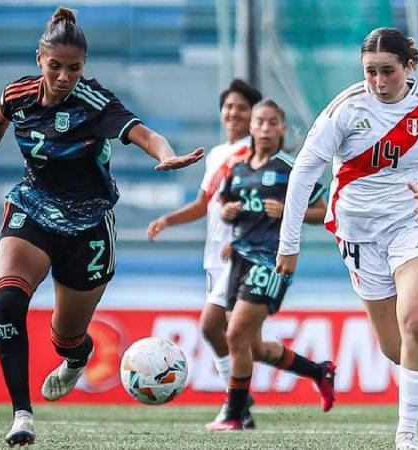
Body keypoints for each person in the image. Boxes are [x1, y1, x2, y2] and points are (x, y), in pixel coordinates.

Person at [0, 7, 203, 447]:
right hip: (34, 206)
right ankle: (22, 416)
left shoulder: (94, 102)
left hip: (88, 224)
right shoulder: (18, 95)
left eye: (74, 68)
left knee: (66, 338)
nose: (65, 76)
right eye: (56, 66)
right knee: (9, 299)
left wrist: (164, 154)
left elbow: (145, 134)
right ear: (39, 60)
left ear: (84, 67)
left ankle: (76, 359)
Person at [275, 28, 418, 450]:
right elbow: (305, 172)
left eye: (388, 72)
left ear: (409, 67)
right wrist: (288, 244)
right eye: (370, 72)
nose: (379, 83)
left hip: (413, 224)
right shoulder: (345, 110)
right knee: (395, 350)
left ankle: (407, 434)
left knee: (414, 320)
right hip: (358, 234)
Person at [207, 99, 335, 432]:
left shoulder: (291, 168)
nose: (265, 128)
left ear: (282, 128)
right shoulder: (238, 169)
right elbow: (223, 205)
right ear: (250, 126)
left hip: (271, 260)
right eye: (260, 122)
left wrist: (292, 213)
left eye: (272, 122)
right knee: (251, 346)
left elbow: (324, 212)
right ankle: (319, 371)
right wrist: (228, 214)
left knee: (234, 334)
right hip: (239, 260)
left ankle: (235, 414)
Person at [146, 79, 261, 427]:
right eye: (228, 106)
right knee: (223, 332)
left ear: (254, 115)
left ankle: (236, 400)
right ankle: (240, 401)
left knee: (214, 326)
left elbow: (260, 202)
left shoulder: (255, 154)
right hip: (214, 256)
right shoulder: (217, 155)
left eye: (242, 107)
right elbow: (202, 204)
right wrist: (168, 219)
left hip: (239, 253)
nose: (233, 112)